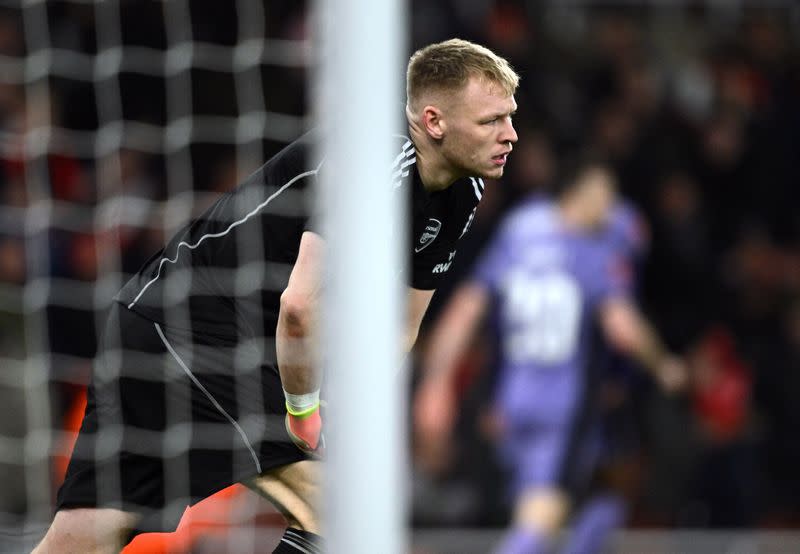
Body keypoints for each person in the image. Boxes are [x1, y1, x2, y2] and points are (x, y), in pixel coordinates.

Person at [34, 38, 519, 553]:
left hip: (170, 327)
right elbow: (299, 308)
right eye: (492, 121)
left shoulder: (464, 192)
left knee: (85, 536)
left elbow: (401, 324)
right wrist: (305, 409)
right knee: (339, 513)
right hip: (195, 329)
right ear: (434, 121)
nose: (509, 134)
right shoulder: (372, 163)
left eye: (510, 117)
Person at [414, 159, 686, 554]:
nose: (610, 207)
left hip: (509, 403)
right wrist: (663, 365)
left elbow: (466, 310)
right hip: (563, 411)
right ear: (584, 192)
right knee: (541, 524)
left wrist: (434, 382)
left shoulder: (521, 227)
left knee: (574, 512)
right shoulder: (591, 247)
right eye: (605, 195)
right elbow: (622, 329)